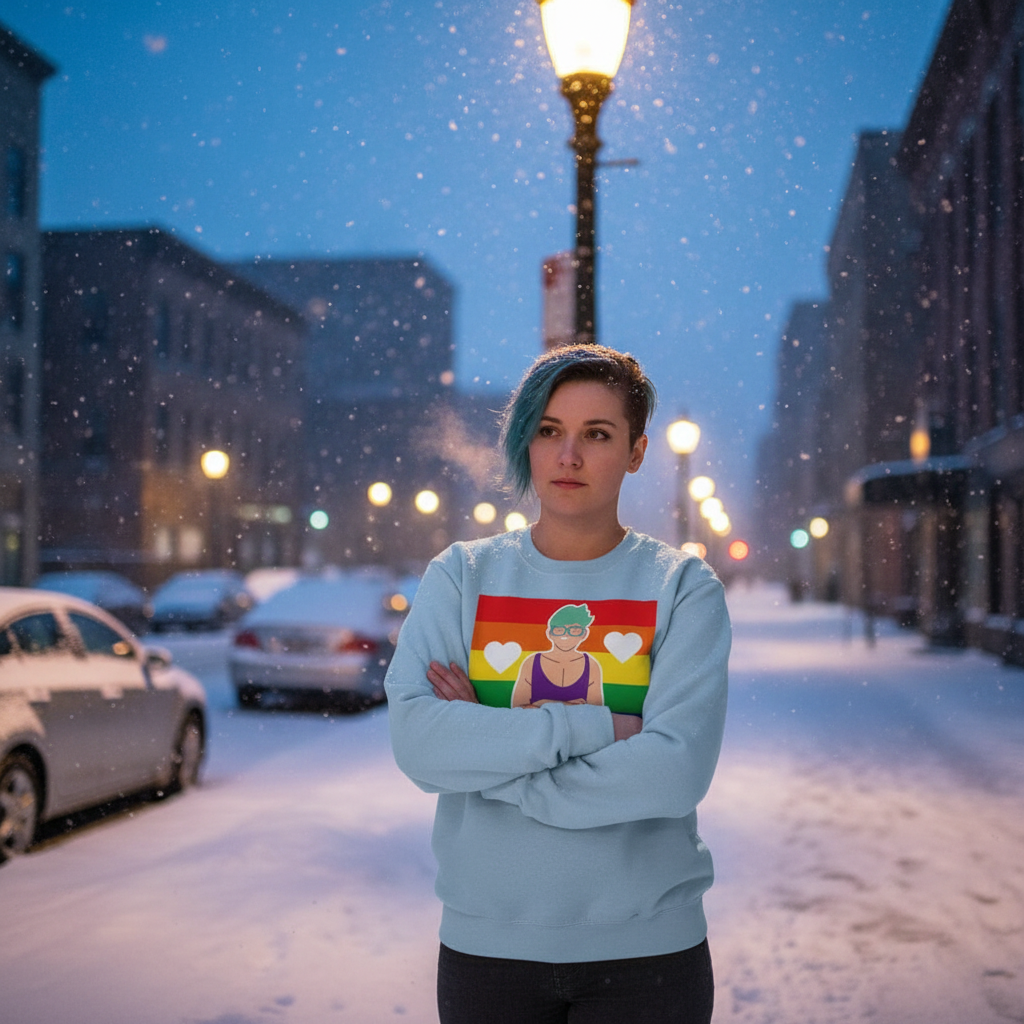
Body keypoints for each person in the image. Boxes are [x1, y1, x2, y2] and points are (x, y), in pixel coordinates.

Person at [385, 343, 730, 1024]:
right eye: (548, 431)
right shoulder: (462, 577)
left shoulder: (681, 588)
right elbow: (419, 744)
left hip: (649, 953)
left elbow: (674, 772)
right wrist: (594, 728)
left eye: (596, 435)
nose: (567, 456)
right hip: (488, 948)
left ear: (635, 452)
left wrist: (492, 765)